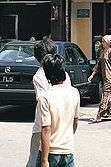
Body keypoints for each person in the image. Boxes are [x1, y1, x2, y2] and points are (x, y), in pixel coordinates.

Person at [26, 39, 71, 167]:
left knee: (36, 160)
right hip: (62, 125)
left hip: (44, 125)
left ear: (37, 58)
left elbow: (42, 103)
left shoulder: (39, 76)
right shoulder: (64, 74)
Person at [35, 54, 80, 167]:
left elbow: (46, 129)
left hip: (50, 152)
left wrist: (44, 160)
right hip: (67, 151)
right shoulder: (74, 92)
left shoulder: (44, 97)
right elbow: (75, 122)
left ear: (47, 74)